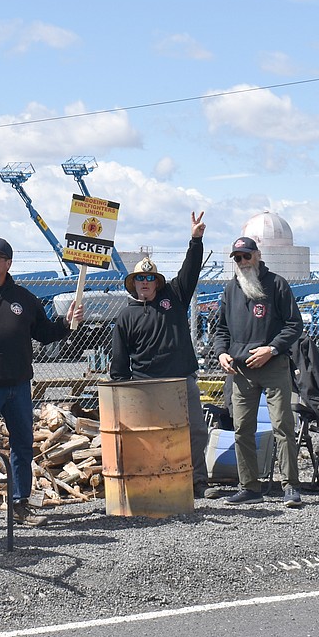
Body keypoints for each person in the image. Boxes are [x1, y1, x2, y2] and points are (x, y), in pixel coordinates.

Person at [0, 237, 83, 528]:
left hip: (18, 386)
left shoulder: (24, 298)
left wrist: (66, 322)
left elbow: (45, 333)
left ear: (8, 263)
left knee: (22, 445)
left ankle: (20, 505)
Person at [110, 212, 210, 498]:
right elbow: (119, 361)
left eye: (149, 278)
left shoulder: (175, 297)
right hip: (146, 386)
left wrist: (196, 240)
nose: (145, 282)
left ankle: (197, 482)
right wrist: (123, 389)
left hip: (182, 380)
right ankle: (156, 483)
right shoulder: (125, 316)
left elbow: (190, 271)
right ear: (134, 283)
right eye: (140, 278)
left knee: (194, 432)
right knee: (152, 436)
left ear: (157, 282)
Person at [212, 236, 305, 507]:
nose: (242, 262)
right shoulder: (231, 288)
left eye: (246, 256)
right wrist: (221, 353)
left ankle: (290, 486)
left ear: (257, 255)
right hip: (241, 370)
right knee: (241, 428)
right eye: (237, 258)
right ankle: (250, 487)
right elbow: (222, 330)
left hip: (273, 365)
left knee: (282, 426)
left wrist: (271, 349)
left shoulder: (277, 284)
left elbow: (293, 325)